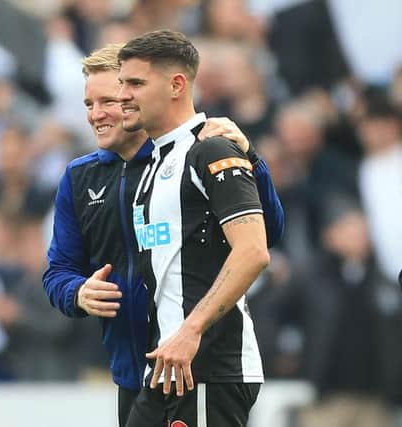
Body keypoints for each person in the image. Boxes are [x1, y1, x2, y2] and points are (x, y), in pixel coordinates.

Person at [43, 42, 284, 426]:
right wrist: (77, 292)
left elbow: (262, 236)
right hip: (137, 369)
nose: (98, 114)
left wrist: (250, 158)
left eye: (115, 97)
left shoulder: (197, 152)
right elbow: (58, 271)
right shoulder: (80, 177)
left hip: (199, 361)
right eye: (90, 104)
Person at [116, 30, 269, 427]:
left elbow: (253, 250)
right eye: (122, 84)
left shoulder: (212, 149)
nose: (123, 95)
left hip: (207, 369)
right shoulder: (150, 167)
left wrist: (191, 330)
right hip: (166, 368)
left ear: (176, 85)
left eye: (135, 83)